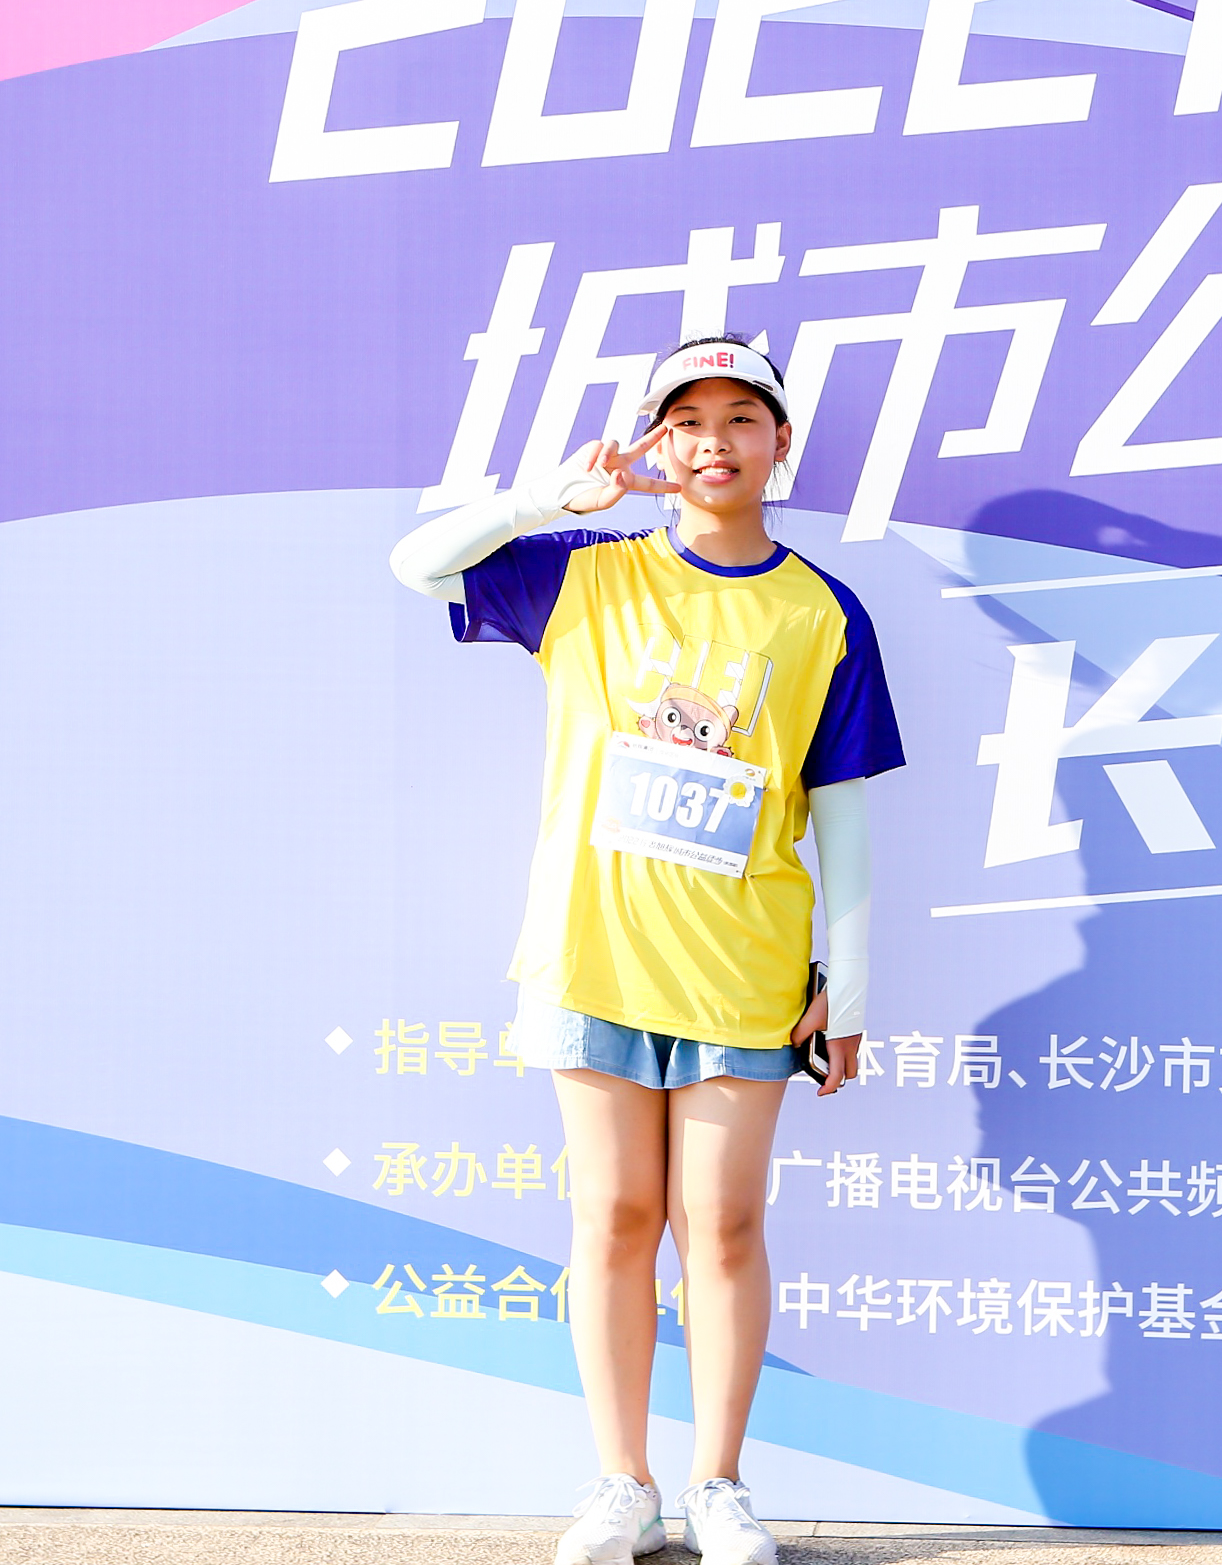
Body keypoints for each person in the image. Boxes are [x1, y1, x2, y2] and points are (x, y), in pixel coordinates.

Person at [389, 334, 904, 1565]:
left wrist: (848, 987)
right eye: (686, 422)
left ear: (780, 442)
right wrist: (545, 499)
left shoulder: (822, 612)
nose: (713, 444)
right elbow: (417, 564)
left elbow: (842, 815)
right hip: (593, 952)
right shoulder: (586, 572)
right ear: (654, 443)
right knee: (613, 1216)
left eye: (740, 420)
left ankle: (717, 1483)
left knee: (719, 1226)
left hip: (744, 969)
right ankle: (620, 1481)